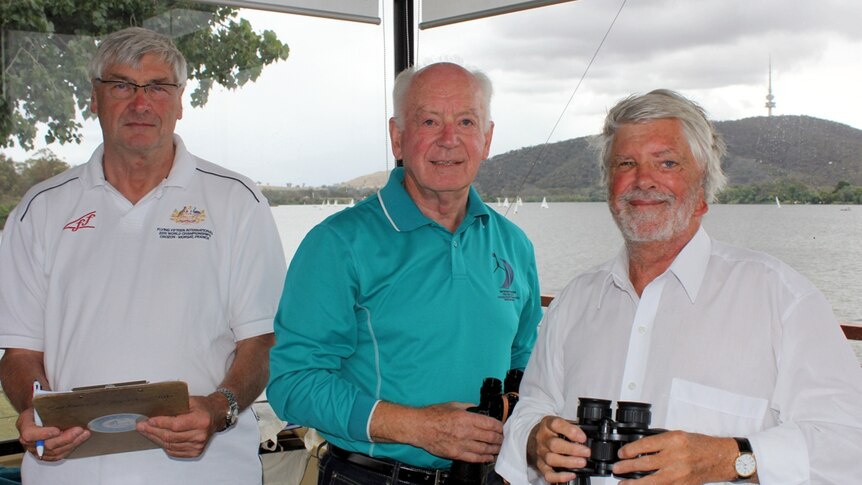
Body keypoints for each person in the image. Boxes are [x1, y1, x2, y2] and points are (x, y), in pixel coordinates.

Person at [496, 89, 862, 484]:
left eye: (667, 163)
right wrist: (536, 439)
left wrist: (726, 458)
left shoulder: (783, 301)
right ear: (609, 188)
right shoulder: (575, 302)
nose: (643, 180)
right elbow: (531, 410)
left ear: (703, 190)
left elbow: (847, 445)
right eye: (626, 163)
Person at [0, 27, 286, 484]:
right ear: (93, 99)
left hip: (208, 474)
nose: (140, 103)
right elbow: (19, 352)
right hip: (70, 475)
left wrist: (219, 407)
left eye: (157, 87)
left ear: (179, 102)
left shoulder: (237, 202)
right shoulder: (40, 209)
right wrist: (35, 407)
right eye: (121, 86)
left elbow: (262, 342)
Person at [267, 62, 543, 484]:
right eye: (429, 120)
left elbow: (526, 358)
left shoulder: (514, 244)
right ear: (398, 137)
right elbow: (294, 384)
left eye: (466, 121)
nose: (449, 139)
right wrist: (419, 427)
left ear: (486, 139)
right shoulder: (337, 244)